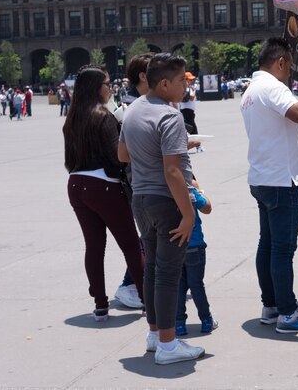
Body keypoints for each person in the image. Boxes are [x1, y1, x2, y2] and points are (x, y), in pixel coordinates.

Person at [119, 53, 206, 365]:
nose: (186, 86)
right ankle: (169, 345)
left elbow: (123, 154)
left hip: (141, 199)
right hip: (165, 200)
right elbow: (172, 171)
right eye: (182, 80)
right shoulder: (170, 116)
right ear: (165, 83)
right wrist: (188, 213)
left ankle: (156, 334)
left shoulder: (132, 111)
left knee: (153, 269)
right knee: (169, 274)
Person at [240, 37, 298, 334]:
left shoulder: (253, 90)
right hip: (281, 179)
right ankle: (288, 314)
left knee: (267, 245)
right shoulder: (271, 87)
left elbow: (284, 121)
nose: (290, 72)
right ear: (280, 62)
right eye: (289, 66)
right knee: (282, 249)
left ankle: (271, 305)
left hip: (264, 177)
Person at [62, 65, 145, 323]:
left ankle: (100, 305)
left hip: (76, 183)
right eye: (107, 83)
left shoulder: (72, 117)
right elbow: (117, 157)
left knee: (94, 247)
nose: (110, 87)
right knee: (131, 245)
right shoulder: (103, 115)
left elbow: (68, 159)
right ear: (97, 87)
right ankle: (148, 299)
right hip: (103, 185)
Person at [112, 53, 156, 310]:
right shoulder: (131, 106)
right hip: (140, 179)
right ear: (143, 75)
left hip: (142, 178)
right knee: (148, 235)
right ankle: (130, 284)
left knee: (152, 235)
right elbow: (125, 150)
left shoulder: (141, 102)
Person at [175, 181, 217, 336]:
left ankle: (179, 323)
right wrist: (198, 190)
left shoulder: (163, 189)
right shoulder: (188, 188)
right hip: (194, 245)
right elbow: (207, 207)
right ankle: (206, 320)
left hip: (175, 246)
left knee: (179, 286)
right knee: (196, 284)